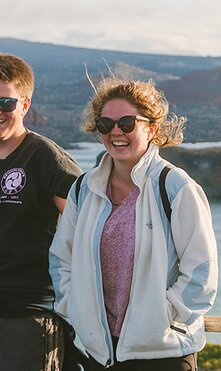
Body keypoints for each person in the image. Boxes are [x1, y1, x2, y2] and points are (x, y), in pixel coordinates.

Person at [49, 78, 218, 370]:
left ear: (151, 128)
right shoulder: (84, 189)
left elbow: (202, 270)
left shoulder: (175, 187)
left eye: (127, 123)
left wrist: (163, 318)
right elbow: (61, 258)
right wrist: (74, 310)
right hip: (99, 353)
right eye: (106, 124)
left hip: (162, 354)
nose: (116, 131)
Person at [0, 54, 81, 369]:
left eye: (6, 103)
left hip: (27, 314)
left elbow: (91, 227)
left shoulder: (46, 158)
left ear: (24, 104)